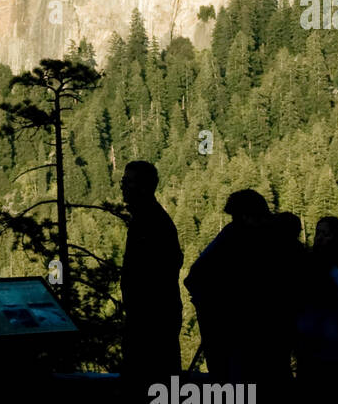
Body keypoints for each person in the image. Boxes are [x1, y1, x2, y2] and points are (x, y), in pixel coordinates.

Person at [184, 189, 292, 383]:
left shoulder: (237, 235)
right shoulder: (240, 235)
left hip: (244, 334)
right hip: (245, 334)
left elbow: (195, 277)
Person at [118, 161, 182, 386]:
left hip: (150, 324)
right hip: (153, 319)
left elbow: (154, 274)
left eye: (128, 182)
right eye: (123, 181)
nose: (122, 186)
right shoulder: (151, 219)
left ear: (143, 186)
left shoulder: (149, 222)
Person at [295, 216, 338, 382]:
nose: (319, 238)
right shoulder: (305, 266)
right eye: (318, 233)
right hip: (310, 351)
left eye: (326, 234)